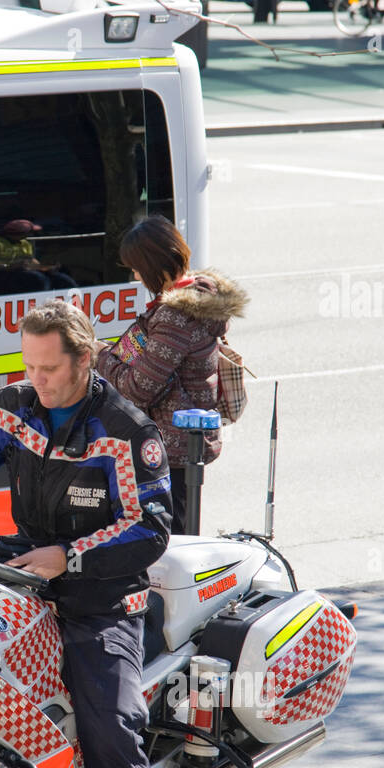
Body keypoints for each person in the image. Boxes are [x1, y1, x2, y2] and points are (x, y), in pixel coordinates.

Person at [0, 299, 180, 768]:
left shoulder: (124, 429)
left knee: (109, 732)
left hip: (102, 600)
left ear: (84, 359)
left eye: (48, 368)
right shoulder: (14, 408)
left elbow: (152, 528)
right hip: (24, 580)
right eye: (28, 365)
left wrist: (70, 557)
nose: (36, 380)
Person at [94, 216, 248, 534]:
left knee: (170, 539)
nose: (135, 275)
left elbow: (139, 388)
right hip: (186, 440)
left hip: (173, 444)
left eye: (136, 267)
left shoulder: (175, 316)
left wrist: (99, 356)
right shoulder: (199, 296)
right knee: (179, 527)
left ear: (152, 265)